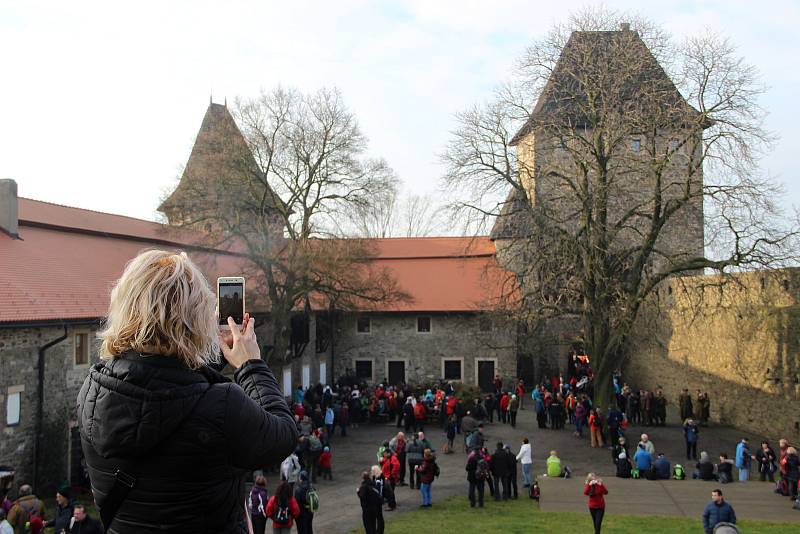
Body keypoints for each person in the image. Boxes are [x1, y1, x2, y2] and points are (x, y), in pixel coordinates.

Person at [76, 251, 298, 533]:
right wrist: (250, 365)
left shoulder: (93, 392)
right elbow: (283, 435)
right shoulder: (222, 406)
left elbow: (164, 385)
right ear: (197, 318)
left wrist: (211, 353)